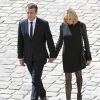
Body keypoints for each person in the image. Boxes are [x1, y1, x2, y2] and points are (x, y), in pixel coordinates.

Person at [17, 3, 56, 100]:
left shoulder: (43, 24)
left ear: (36, 13)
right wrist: (20, 57)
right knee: (36, 78)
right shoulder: (22, 24)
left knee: (34, 80)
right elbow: (20, 41)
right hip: (28, 57)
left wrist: (52, 54)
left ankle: (34, 98)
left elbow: (49, 40)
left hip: (40, 57)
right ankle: (42, 94)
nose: (29, 15)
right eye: (28, 13)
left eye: (31, 13)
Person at [55, 8, 92, 100]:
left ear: (74, 18)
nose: (68, 21)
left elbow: (86, 41)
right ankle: (68, 98)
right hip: (67, 56)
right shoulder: (63, 26)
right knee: (67, 78)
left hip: (78, 55)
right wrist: (54, 54)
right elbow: (60, 41)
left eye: (70, 19)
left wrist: (88, 56)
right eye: (66, 19)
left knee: (78, 75)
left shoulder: (81, 26)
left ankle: (79, 94)